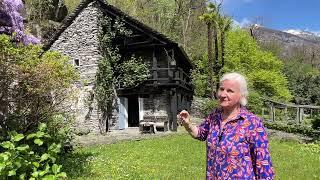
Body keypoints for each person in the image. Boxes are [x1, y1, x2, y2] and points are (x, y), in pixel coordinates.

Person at [178, 72, 274, 179]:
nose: (223, 94)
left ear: (242, 95)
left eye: (230, 91)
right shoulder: (214, 116)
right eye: (222, 89)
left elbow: (263, 164)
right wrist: (187, 124)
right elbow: (201, 133)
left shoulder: (252, 123)